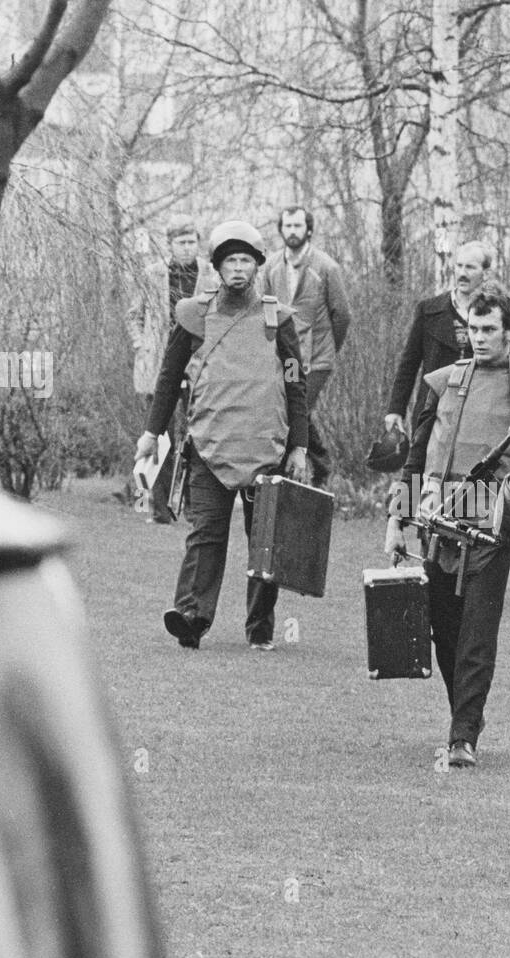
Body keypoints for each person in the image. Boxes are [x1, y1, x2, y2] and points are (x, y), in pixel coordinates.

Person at [384, 284, 510, 768]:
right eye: (473, 328)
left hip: (493, 528)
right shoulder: (444, 381)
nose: (479, 337)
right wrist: (397, 519)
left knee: (476, 635)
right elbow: (417, 457)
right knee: (442, 630)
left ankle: (463, 737)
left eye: (490, 329)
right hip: (437, 523)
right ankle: (463, 721)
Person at [134, 219, 308, 652]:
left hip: (265, 447)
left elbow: (295, 384)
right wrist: (151, 434)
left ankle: (260, 629)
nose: (237, 269)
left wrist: (300, 446)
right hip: (209, 447)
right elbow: (169, 377)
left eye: (245, 260)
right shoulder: (194, 316)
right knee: (205, 534)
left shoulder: (277, 318)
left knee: (264, 542)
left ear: (257, 266)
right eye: (229, 260)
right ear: (216, 266)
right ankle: (190, 617)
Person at [127, 218, 217, 522]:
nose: (187, 247)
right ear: (170, 244)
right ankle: (156, 507)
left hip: (197, 366)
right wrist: (142, 345)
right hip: (159, 366)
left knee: (196, 437)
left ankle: (195, 507)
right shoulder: (152, 274)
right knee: (157, 437)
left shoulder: (211, 274)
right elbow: (133, 316)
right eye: (181, 242)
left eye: (192, 241)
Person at [259, 205, 351, 489]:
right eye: (288, 226)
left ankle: (299, 473)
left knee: (295, 407)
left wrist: (329, 348)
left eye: (298, 226)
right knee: (293, 407)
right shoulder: (272, 266)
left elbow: (342, 314)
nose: (293, 231)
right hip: (287, 358)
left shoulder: (326, 267)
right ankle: (320, 466)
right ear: (281, 230)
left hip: (317, 358)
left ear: (308, 229)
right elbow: (265, 310)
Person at [383, 240, 495, 437]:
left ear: (485, 274)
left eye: (470, 267)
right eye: (459, 266)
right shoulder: (429, 310)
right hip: (431, 410)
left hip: (477, 411)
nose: (462, 273)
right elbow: (409, 364)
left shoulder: (496, 315)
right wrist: (395, 409)